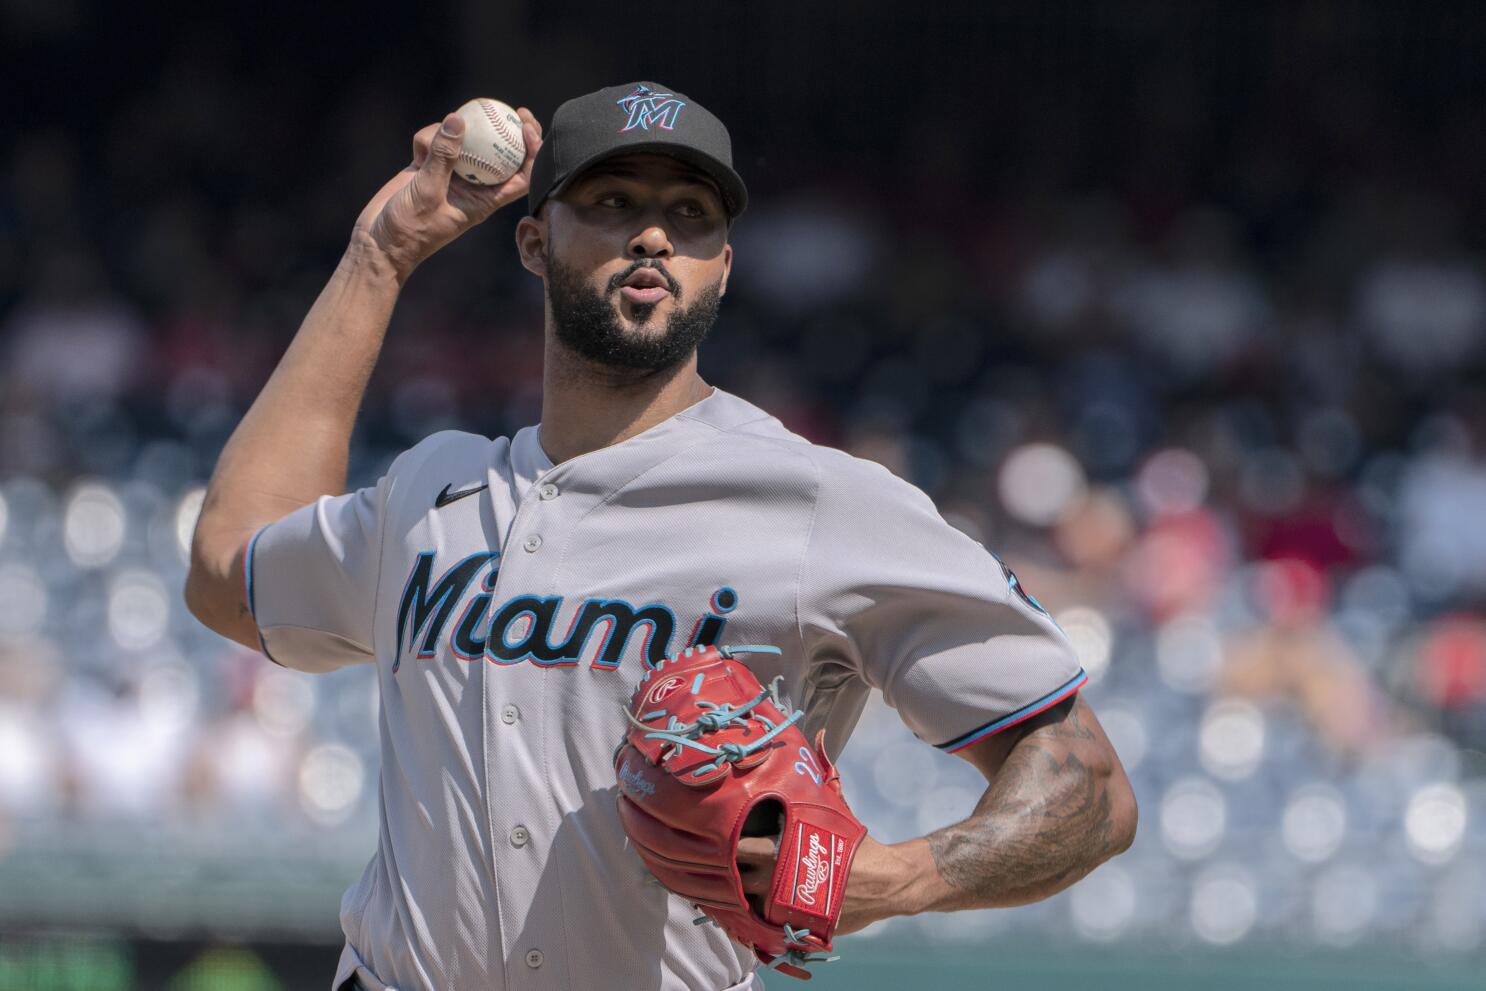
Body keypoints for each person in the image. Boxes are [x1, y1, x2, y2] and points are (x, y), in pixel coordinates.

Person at [185, 81, 1137, 991]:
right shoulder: (430, 492)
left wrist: (902, 875)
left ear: (723, 263)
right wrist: (379, 255)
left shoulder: (816, 502)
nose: (652, 233)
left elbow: (1088, 780)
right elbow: (228, 570)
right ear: (531, 239)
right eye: (610, 199)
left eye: (692, 214)